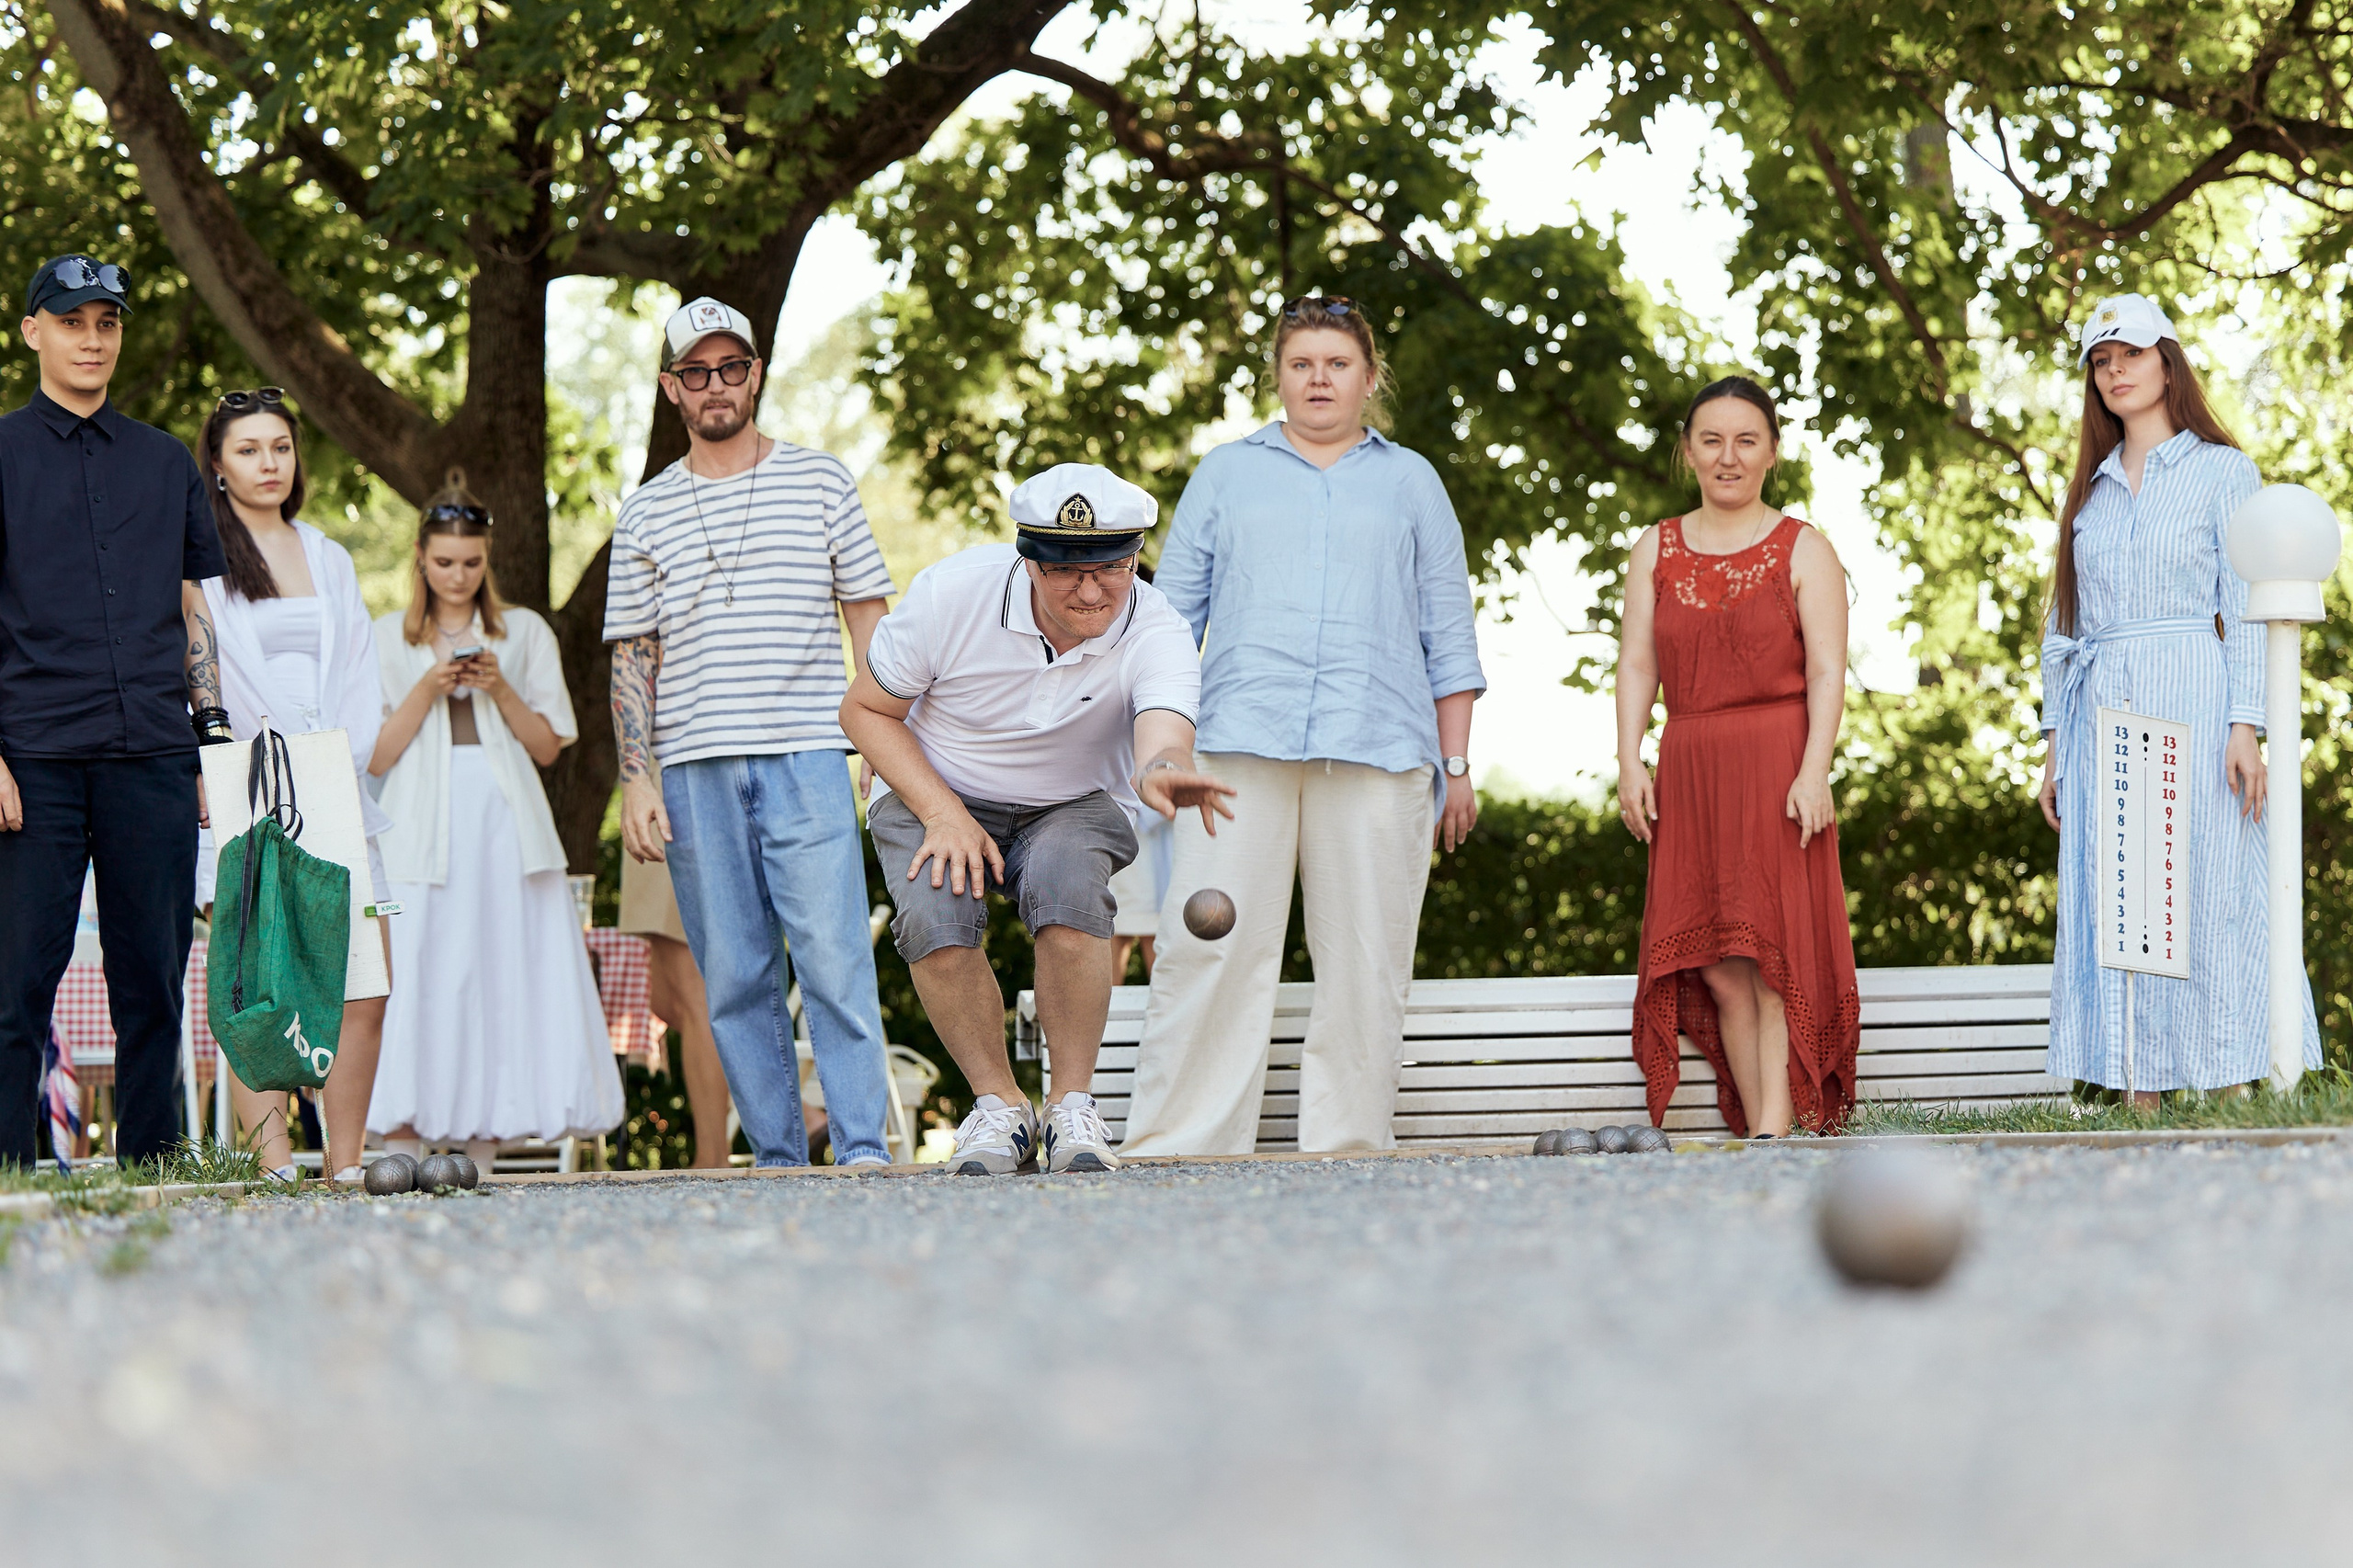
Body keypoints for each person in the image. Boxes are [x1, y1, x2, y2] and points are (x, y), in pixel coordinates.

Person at [1121, 294, 1484, 1157]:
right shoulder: (1225, 474)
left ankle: (1346, 1146)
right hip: (1235, 747)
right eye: (1301, 364)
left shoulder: (1412, 482)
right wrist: (1164, 749)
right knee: (1211, 942)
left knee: (1367, 958)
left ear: (1368, 378)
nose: (1319, 378)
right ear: (1279, 375)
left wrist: (1457, 764)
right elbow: (1172, 622)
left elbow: (1449, 631)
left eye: (1337, 364)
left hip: (1382, 747)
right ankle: (1184, 1143)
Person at [839, 462, 1230, 1176]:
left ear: (1134, 557)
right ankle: (1000, 1108)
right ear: (1027, 559)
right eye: (1065, 571)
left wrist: (1165, 772)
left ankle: (1071, 1107)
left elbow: (1164, 735)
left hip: (1076, 796)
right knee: (933, 909)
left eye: (1110, 567)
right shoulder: (951, 595)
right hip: (937, 780)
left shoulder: (1158, 626)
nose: (1090, 590)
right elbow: (863, 710)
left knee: (1067, 880)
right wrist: (941, 810)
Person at [606, 296, 898, 1168]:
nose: (717, 385)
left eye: (733, 367)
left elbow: (872, 622)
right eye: (697, 372)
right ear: (672, 388)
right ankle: (776, 1157)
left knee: (835, 962)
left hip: (808, 753)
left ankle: (861, 1151)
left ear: (757, 373)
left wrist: (879, 750)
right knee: (733, 978)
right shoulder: (646, 512)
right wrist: (637, 777)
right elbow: (632, 657)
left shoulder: (822, 480)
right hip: (693, 765)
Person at [2036, 294, 2321, 1103]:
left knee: (2210, 884)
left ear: (2167, 360)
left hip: (2195, 697)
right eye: (2101, 360)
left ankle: (2233, 1081)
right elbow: (2064, 628)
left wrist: (2247, 725)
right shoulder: (2087, 493)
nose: (2115, 371)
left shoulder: (2222, 471)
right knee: (2124, 888)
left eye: (2129, 353)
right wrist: (2057, 744)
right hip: (2104, 713)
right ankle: (2137, 1088)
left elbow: (2248, 602)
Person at [0, 254, 229, 1168]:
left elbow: (190, 610)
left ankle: (156, 1169)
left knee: (155, 985)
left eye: (107, 323)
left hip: (153, 754)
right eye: (72, 321)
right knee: (15, 985)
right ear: (33, 333)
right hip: (35, 756)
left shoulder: (165, 458)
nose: (91, 339)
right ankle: (12, 1174)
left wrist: (211, 743)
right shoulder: (0, 452)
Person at [1614, 376, 1858, 1138]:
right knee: (1719, 964)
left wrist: (1814, 769)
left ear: (1772, 454)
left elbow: (1826, 671)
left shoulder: (1804, 547)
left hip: (1778, 765)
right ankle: (1761, 1124)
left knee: (1773, 953)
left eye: (1746, 440)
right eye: (1711, 440)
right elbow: (1634, 665)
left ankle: (1773, 1134)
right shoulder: (1655, 547)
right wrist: (1630, 760)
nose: (1729, 456)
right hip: (1689, 767)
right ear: (1688, 452)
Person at [369, 472, 623, 1166]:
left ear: (488, 560)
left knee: (495, 971)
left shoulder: (526, 633)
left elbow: (547, 747)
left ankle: (483, 1143)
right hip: (416, 824)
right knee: (417, 967)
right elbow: (376, 755)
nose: (458, 576)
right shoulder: (386, 638)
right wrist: (428, 686)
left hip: (504, 827)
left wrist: (497, 686)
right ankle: (400, 1135)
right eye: (445, 562)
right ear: (421, 557)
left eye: (472, 563)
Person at [193, 388, 392, 1182]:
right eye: (248, 449)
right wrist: (223, 769)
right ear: (217, 464)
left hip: (335, 783)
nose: (268, 462)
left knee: (363, 983)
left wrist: (336, 764)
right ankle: (273, 1168)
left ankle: (345, 1164)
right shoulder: (197, 561)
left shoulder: (328, 555)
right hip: (244, 787)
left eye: (280, 447)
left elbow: (359, 675)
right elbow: (191, 675)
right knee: (259, 984)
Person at [614, 852, 742, 1168]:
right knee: (668, 1001)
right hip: (658, 820)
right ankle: (802, 1114)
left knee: (694, 1000)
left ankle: (713, 1157)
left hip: (670, 821)